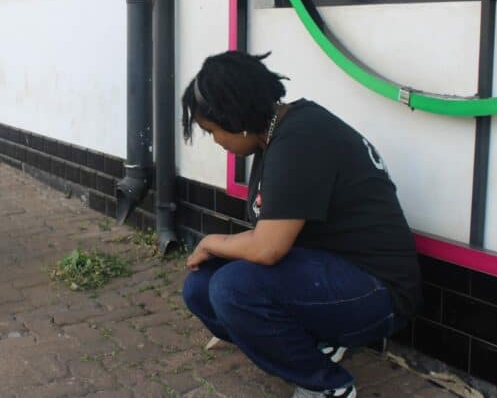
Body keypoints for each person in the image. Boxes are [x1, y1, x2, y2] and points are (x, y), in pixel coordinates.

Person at [180, 51, 421, 398]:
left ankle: (327, 386)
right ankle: (316, 345)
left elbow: (267, 247)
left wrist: (210, 242)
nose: (216, 141)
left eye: (212, 130)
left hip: (379, 292)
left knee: (232, 288)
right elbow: (271, 238)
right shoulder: (278, 136)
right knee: (201, 288)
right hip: (328, 275)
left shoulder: (301, 138)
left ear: (235, 119)